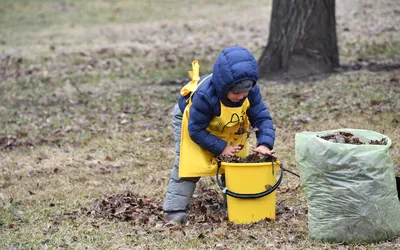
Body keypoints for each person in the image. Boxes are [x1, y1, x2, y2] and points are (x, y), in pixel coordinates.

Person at [163, 46, 276, 225]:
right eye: (236, 92)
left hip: (226, 124)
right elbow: (196, 130)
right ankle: (175, 212)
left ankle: (234, 205)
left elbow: (262, 118)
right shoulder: (205, 95)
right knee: (188, 164)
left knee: (234, 162)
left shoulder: (250, 91)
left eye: (245, 91)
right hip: (192, 120)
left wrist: (265, 144)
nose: (241, 96)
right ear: (223, 87)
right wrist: (221, 147)